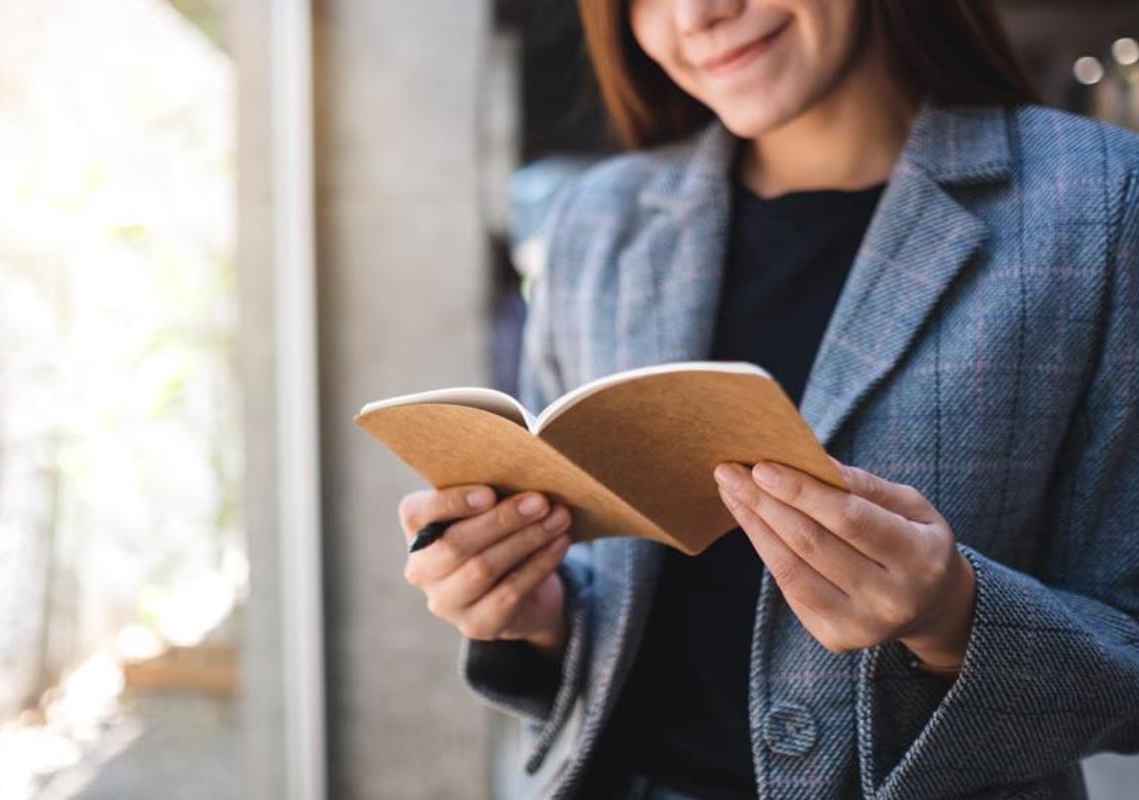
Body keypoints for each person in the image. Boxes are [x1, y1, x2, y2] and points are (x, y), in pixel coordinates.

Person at [395, 1, 1139, 797]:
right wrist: (532, 615)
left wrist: (954, 616)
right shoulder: (599, 222)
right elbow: (610, 603)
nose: (700, 14)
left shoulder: (1097, 204)